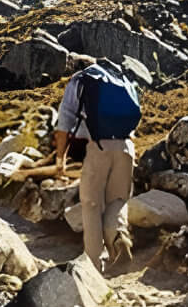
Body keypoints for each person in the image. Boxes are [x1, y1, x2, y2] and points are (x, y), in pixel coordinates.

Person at [50, 61, 140, 267]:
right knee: (117, 201)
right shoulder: (121, 80)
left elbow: (64, 124)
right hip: (126, 146)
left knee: (91, 205)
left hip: (98, 147)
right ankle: (119, 239)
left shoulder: (80, 80)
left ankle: (93, 264)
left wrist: (60, 160)